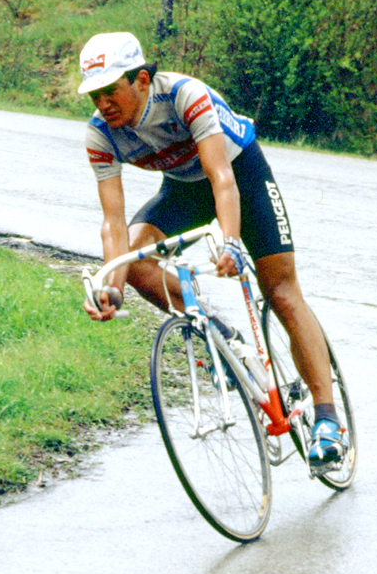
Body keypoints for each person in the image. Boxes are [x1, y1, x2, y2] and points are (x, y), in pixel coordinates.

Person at [79, 31, 343, 471]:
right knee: (137, 264)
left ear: (141, 80)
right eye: (94, 95)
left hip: (240, 175)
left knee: (279, 289)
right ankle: (219, 335)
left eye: (110, 92)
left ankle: (328, 420)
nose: (102, 104)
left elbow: (222, 177)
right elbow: (113, 223)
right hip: (183, 190)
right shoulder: (100, 135)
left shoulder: (185, 96)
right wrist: (113, 287)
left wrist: (232, 244)